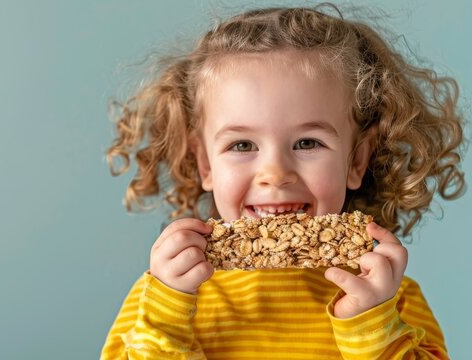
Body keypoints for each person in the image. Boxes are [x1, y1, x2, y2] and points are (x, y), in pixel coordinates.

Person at [101, 3, 466, 359]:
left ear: (356, 160)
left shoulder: (390, 297)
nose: (275, 173)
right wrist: (168, 315)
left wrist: (371, 328)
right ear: (205, 163)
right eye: (242, 144)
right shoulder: (161, 299)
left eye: (307, 143)